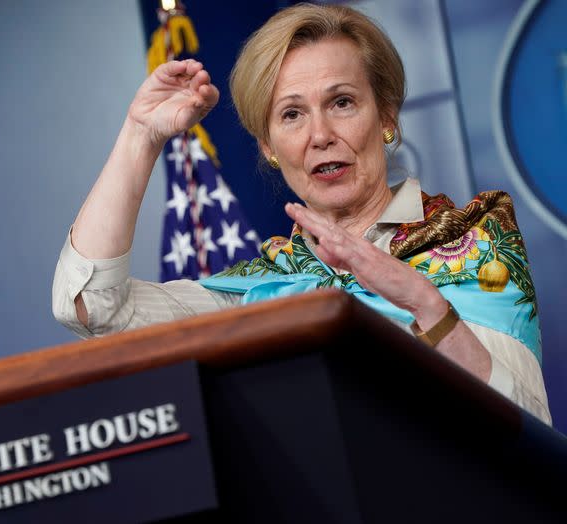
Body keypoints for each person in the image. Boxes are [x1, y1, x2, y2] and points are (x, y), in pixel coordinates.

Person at [52, 3, 550, 424]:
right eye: (291, 114)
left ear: (387, 118)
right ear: (269, 146)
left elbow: (525, 420)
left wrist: (423, 303)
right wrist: (142, 136)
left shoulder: (474, 245)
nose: (319, 135)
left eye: (342, 102)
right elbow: (92, 305)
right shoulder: (259, 291)